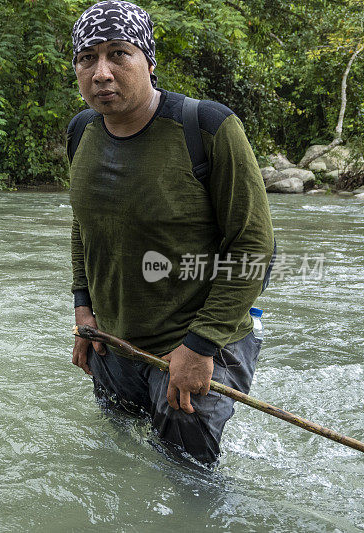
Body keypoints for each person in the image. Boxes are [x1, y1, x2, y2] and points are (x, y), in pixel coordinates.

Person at [68, 1, 274, 465]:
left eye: (118, 54)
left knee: (189, 479)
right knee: (123, 458)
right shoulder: (82, 132)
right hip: (115, 342)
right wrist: (83, 309)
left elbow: (254, 245)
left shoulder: (206, 127)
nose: (101, 72)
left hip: (199, 340)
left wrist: (201, 345)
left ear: (149, 62)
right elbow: (85, 225)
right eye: (87, 58)